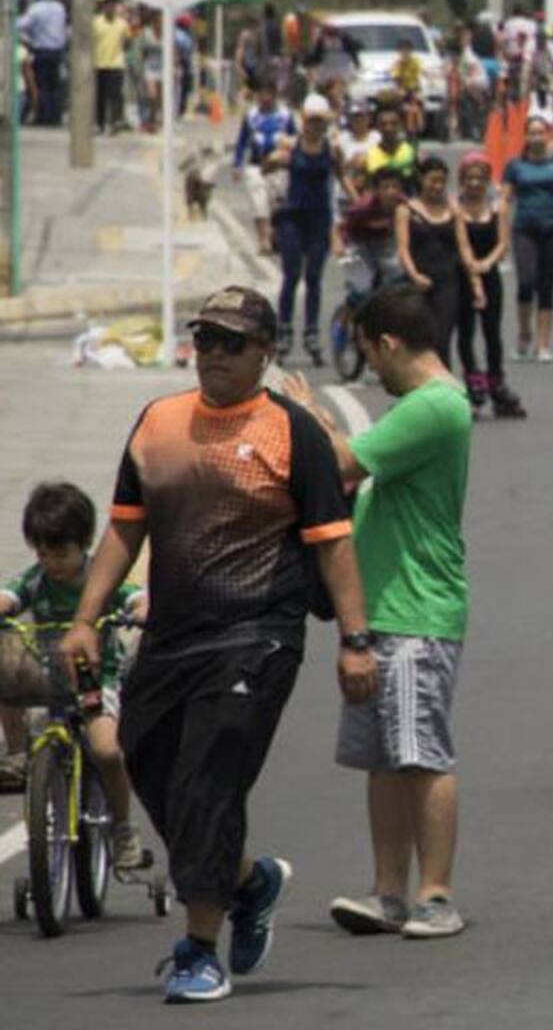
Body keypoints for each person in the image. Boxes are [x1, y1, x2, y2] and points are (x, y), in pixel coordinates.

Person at [58, 286, 375, 1003]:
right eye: (205, 340)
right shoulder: (158, 422)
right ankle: (247, 881)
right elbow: (125, 528)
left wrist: (356, 642)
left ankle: (200, 948)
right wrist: (84, 619)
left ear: (266, 353)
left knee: (210, 780)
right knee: (146, 763)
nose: (214, 356)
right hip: (170, 637)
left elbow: (333, 546)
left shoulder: (291, 432)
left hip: (256, 636)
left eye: (231, 343)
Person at [280, 286, 472, 941]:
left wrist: (309, 414)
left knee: (422, 754)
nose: (371, 372)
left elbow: (341, 463)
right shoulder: (424, 408)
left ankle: (436, 894)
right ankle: (388, 892)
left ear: (389, 344)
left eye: (369, 355)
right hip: (382, 607)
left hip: (419, 605)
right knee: (385, 757)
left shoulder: (435, 406)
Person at [0, 483, 148, 853]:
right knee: (4, 670)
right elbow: (10, 594)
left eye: (62, 553)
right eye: (43, 553)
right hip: (48, 677)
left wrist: (141, 610)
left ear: (83, 543)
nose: (52, 563)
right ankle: (17, 752)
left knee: (107, 751)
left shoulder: (100, 579)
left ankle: (123, 828)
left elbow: (135, 596)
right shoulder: (37, 580)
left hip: (93, 680)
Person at [267, 92, 354, 363]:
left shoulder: (332, 149)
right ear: (303, 120)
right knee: (291, 276)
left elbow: (342, 178)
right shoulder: (292, 146)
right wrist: (273, 159)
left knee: (314, 278)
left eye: (321, 121)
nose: (316, 126)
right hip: (293, 218)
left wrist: (360, 204)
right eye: (312, 120)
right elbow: (266, 167)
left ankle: (311, 333)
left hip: (319, 220)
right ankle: (283, 333)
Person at [500, 115, 553, 362]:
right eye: (531, 133)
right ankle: (524, 334)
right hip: (524, 228)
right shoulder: (515, 166)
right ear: (525, 137)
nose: (536, 137)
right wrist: (501, 238)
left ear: (548, 135)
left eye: (540, 132)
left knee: (547, 286)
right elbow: (503, 202)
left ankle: (543, 344)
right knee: (525, 282)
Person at [454, 153, 526, 418]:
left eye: (480, 178)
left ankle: (496, 380)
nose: (474, 183)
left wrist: (487, 264)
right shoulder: (457, 208)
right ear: (462, 180)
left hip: (490, 274)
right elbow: (460, 242)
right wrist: (473, 266)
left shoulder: (498, 208)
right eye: (470, 178)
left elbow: (503, 243)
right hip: (462, 275)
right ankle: (473, 380)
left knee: (492, 331)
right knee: (465, 332)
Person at [397, 157, 477, 365]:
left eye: (442, 181)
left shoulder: (454, 211)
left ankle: (444, 387)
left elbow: (464, 247)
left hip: (447, 282)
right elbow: (403, 249)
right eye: (433, 181)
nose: (438, 186)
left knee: (442, 339)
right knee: (420, 340)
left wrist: (476, 283)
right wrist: (414, 275)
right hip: (417, 282)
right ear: (421, 179)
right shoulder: (406, 210)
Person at [233, 79, 298, 255]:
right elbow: (241, 142)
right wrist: (237, 164)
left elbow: (296, 140)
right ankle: (263, 240)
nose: (265, 98)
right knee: (259, 201)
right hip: (257, 166)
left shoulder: (285, 116)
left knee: (278, 203)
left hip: (280, 166)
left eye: (269, 94)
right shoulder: (251, 116)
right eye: (262, 94)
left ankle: (276, 234)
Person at [336, 164, 406, 286]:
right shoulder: (363, 207)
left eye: (395, 186)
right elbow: (341, 227)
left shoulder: (404, 204)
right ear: (376, 190)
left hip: (384, 242)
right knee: (361, 287)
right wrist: (339, 245)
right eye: (385, 187)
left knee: (396, 275)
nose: (391, 191)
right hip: (356, 242)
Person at [18, 0, 66, 126]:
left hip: (42, 51)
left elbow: (22, 24)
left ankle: (44, 116)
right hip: (57, 51)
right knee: (55, 85)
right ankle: (56, 116)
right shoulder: (60, 8)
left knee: (42, 85)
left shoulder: (36, 8)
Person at [93, 0, 131, 133]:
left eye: (112, 6)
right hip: (99, 63)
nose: (110, 8)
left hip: (116, 64)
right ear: (103, 7)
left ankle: (114, 122)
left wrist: (121, 51)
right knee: (100, 96)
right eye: (108, 6)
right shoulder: (96, 22)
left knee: (115, 95)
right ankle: (100, 123)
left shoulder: (122, 24)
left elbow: (127, 42)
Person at [365, 103, 419, 193]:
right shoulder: (370, 155)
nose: (388, 128)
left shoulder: (411, 152)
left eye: (393, 124)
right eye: (383, 124)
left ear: (400, 125)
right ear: (377, 127)